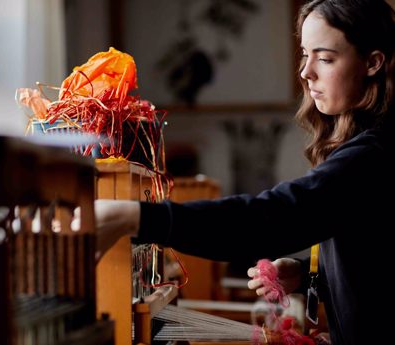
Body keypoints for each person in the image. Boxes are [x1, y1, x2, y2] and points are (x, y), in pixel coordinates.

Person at [85, 1, 395, 344]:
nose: (306, 72)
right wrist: (309, 278)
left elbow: (275, 215)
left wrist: (136, 218)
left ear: (372, 63)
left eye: (324, 58)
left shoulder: (374, 156)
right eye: (305, 55)